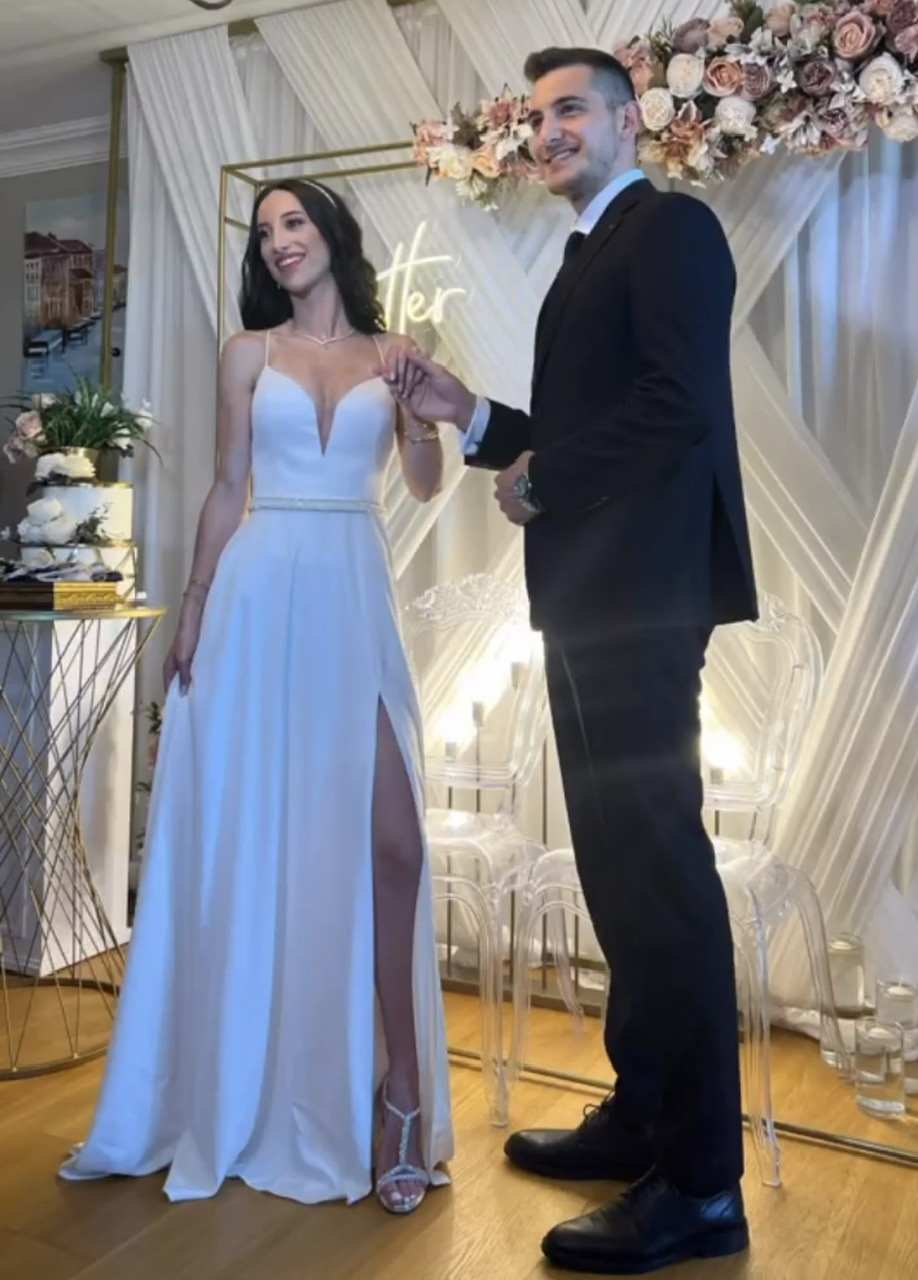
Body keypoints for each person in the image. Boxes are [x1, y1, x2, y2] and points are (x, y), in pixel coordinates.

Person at [382, 45, 757, 1275]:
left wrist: (543, 479)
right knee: (615, 869)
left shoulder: (671, 229)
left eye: (571, 110)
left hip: (644, 599)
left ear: (626, 121)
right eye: (536, 115)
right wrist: (470, 416)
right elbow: (582, 432)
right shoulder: (587, 255)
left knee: (660, 876)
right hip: (593, 601)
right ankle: (641, 1116)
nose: (547, 131)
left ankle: (699, 1184)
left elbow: (675, 407)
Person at [59, 178, 453, 1213]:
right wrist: (192, 606)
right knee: (258, 839)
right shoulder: (246, 352)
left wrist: (418, 417)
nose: (280, 241)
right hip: (255, 593)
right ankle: (256, 1081)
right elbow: (227, 484)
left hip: (351, 597)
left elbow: (422, 483)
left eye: (296, 223)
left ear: (332, 235)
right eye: (266, 230)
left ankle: (401, 1092)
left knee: (395, 843)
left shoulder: (392, 353)